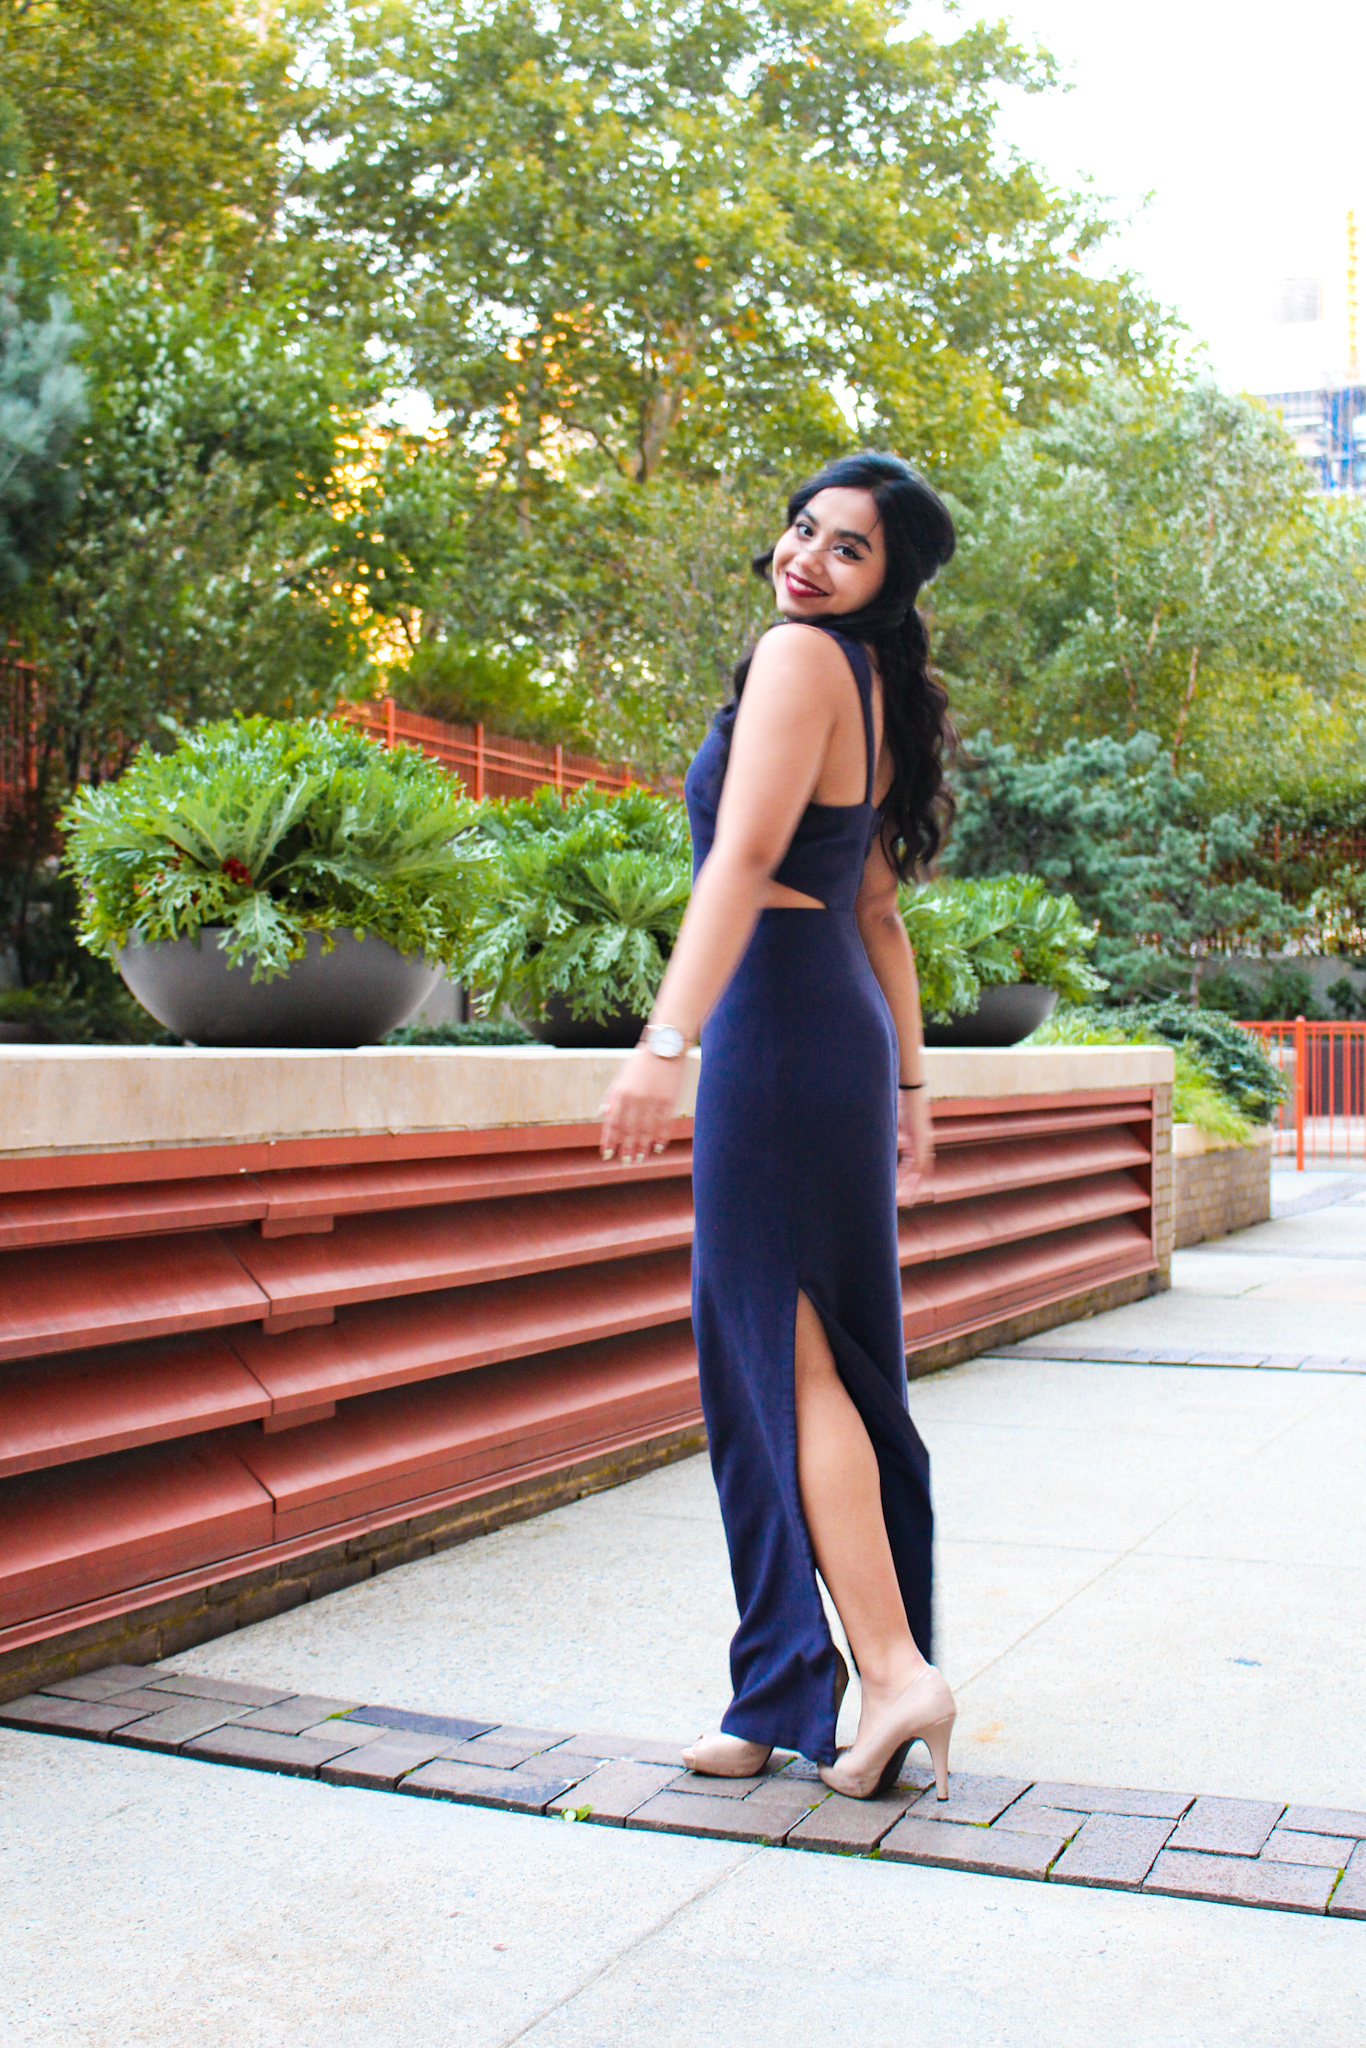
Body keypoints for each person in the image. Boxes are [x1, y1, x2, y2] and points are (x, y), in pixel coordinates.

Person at [599, 452, 957, 1800]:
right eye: (801, 529)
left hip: (773, 1032)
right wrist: (912, 1090)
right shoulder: (858, 679)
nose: (805, 558)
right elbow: (874, 908)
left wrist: (661, 1045)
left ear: (886, 582)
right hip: (823, 1035)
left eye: (846, 548)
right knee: (790, 1362)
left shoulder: (800, 660)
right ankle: (778, 1686)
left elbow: (743, 868)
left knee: (783, 1364)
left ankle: (886, 1665)